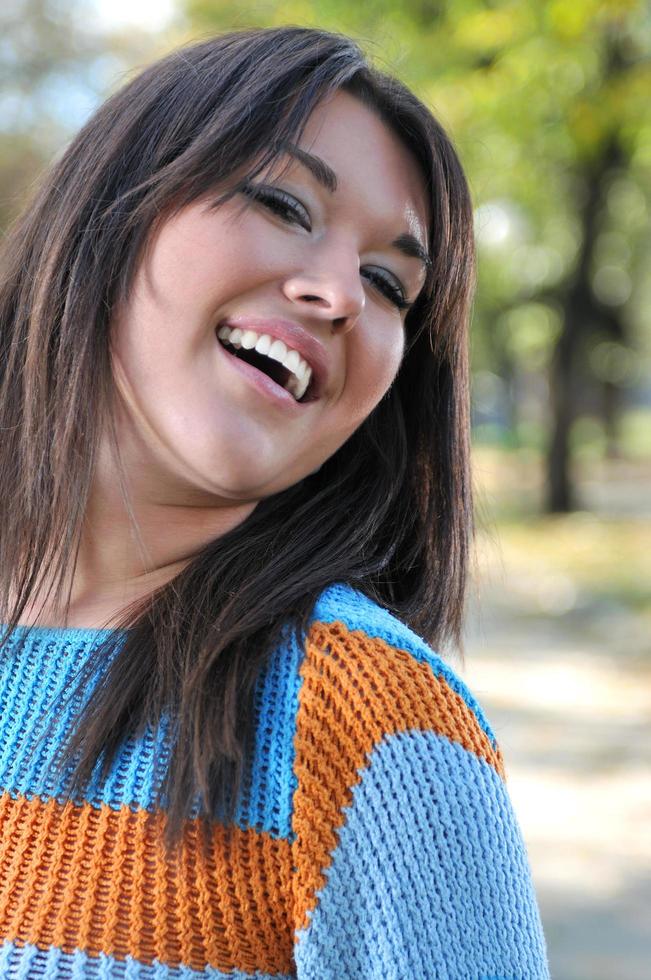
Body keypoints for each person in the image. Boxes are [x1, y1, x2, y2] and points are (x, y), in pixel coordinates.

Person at [0, 25, 551, 980]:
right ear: (111, 209)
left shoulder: (372, 726)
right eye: (280, 201)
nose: (338, 294)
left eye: (389, 282)